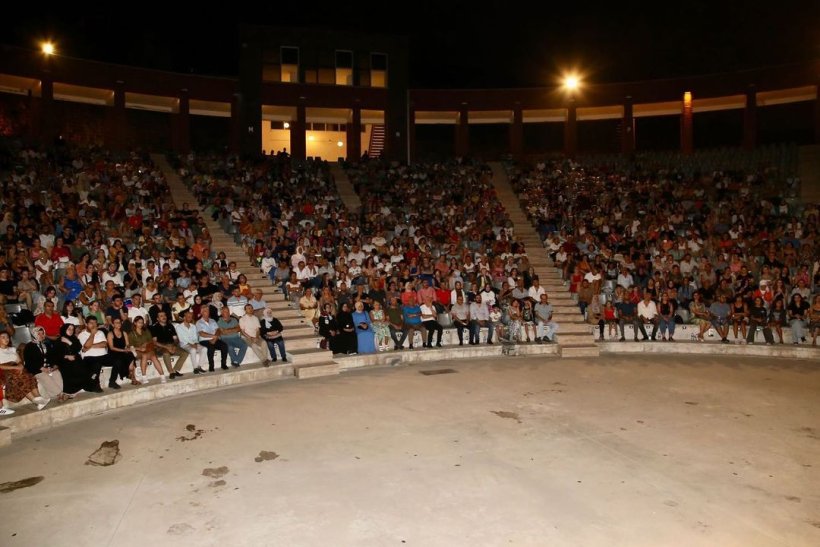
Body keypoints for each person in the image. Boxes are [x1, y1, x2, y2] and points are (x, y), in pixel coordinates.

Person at [0, 331, 49, 411]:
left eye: (7, 337)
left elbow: (19, 361)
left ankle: (39, 398)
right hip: (5, 370)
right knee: (18, 378)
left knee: (29, 375)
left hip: (16, 367)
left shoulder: (12, 349)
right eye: (3, 337)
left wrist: (20, 366)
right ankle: (36, 401)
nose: (6, 339)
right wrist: (15, 368)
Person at [23, 326, 66, 401]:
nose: (41, 335)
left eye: (43, 334)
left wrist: (53, 366)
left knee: (57, 373)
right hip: (36, 369)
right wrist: (42, 368)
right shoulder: (29, 346)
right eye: (38, 333)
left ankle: (59, 395)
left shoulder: (46, 344)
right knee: (45, 376)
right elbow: (29, 362)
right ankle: (60, 394)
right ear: (34, 334)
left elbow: (52, 357)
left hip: (47, 367)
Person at [51, 323, 96, 395]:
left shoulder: (74, 338)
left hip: (76, 359)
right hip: (64, 361)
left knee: (83, 366)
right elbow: (55, 355)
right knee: (73, 367)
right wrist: (66, 356)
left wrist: (68, 342)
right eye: (69, 329)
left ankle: (86, 386)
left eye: (72, 329)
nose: (71, 331)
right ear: (64, 329)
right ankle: (73, 389)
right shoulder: (58, 340)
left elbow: (78, 347)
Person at [151, 311, 189, 378]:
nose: (164, 317)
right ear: (157, 319)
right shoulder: (154, 327)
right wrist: (166, 347)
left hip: (171, 345)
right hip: (161, 347)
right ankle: (171, 372)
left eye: (164, 315)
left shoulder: (170, 326)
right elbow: (154, 342)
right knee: (166, 353)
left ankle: (175, 370)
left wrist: (174, 346)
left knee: (185, 353)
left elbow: (176, 339)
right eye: (161, 316)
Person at [77, 316, 111, 392]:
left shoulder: (100, 332)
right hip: (89, 357)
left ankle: (112, 381)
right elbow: (86, 346)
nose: (93, 325)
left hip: (103, 355)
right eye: (91, 323)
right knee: (96, 364)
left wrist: (90, 346)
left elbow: (104, 344)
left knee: (118, 359)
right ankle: (95, 384)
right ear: (86, 324)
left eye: (95, 323)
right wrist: (92, 334)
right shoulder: (82, 335)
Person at [129, 315, 165, 382]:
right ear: (135, 323)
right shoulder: (131, 333)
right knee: (144, 355)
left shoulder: (146, 331)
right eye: (139, 322)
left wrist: (146, 345)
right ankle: (144, 377)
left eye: (142, 323)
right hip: (138, 351)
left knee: (154, 357)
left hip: (148, 349)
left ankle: (162, 376)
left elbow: (151, 341)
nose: (141, 324)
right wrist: (140, 348)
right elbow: (131, 346)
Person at [106, 317, 139, 387]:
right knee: (121, 359)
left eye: (120, 322)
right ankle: (132, 377)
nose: (119, 324)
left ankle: (131, 374)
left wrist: (127, 348)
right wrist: (123, 350)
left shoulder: (124, 333)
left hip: (123, 351)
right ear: (113, 324)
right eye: (116, 322)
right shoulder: (110, 334)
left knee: (130, 355)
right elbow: (111, 347)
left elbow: (127, 344)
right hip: (114, 353)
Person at [197, 307, 229, 371]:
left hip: (215, 338)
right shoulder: (199, 322)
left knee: (224, 346)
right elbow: (201, 333)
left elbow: (218, 330)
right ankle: (211, 366)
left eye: (208, 311)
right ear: (202, 313)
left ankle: (223, 364)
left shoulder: (212, 320)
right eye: (206, 311)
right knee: (211, 347)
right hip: (204, 340)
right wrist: (213, 336)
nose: (208, 312)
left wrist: (215, 337)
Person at [176, 309, 206, 374]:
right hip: (185, 344)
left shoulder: (193, 326)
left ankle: (199, 366)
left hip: (194, 343)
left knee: (204, 349)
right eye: (188, 317)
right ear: (184, 317)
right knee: (193, 350)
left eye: (191, 317)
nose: (190, 318)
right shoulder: (179, 327)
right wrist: (192, 345)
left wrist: (195, 343)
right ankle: (195, 368)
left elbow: (195, 337)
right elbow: (182, 339)